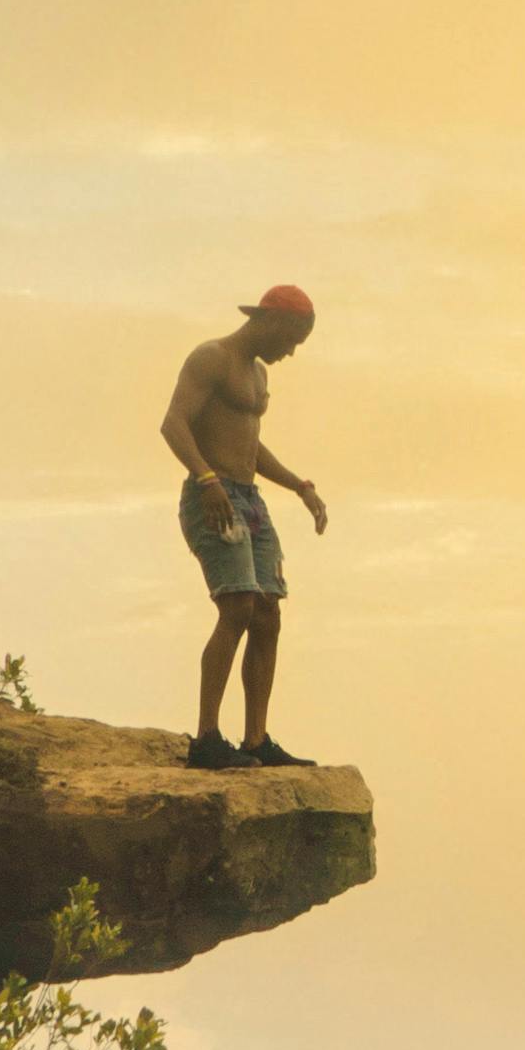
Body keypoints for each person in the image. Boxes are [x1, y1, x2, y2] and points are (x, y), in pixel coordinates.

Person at [162, 285, 329, 766]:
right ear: (271, 321)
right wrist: (207, 478)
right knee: (237, 605)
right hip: (212, 497)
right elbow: (174, 423)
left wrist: (299, 486)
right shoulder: (211, 358)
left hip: (249, 500)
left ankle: (256, 738)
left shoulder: (256, 373)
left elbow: (249, 447)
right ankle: (207, 739)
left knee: (267, 614)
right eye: (292, 338)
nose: (291, 351)